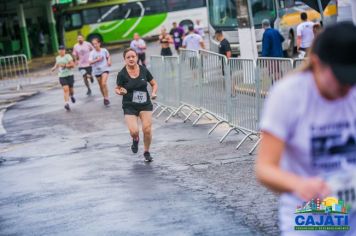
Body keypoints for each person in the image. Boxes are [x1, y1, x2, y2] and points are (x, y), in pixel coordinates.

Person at [256, 22, 356, 235]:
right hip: (311, 216)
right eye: (340, 79)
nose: (347, 88)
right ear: (316, 63)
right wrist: (299, 184)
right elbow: (264, 169)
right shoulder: (289, 95)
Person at [116, 48, 158, 162]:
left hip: (145, 104)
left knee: (147, 129)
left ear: (137, 57)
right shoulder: (122, 74)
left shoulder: (144, 70)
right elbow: (117, 88)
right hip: (129, 105)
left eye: (133, 56)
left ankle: (146, 151)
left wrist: (153, 92)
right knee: (134, 131)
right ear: (124, 59)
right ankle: (135, 139)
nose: (131, 59)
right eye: (128, 57)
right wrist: (120, 91)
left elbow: (154, 84)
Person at [51, 45, 76, 111]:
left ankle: (72, 96)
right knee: (65, 89)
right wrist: (54, 67)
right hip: (62, 76)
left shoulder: (68, 56)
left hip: (69, 75)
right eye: (60, 50)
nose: (61, 51)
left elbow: (73, 65)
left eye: (62, 50)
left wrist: (65, 65)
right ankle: (66, 104)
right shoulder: (57, 57)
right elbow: (57, 63)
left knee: (71, 90)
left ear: (64, 50)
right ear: (58, 51)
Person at [89, 38, 112, 106]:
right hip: (96, 71)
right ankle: (104, 97)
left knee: (104, 83)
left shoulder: (104, 50)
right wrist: (96, 60)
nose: (95, 45)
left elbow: (108, 56)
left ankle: (107, 98)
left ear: (99, 43)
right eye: (93, 44)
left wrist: (109, 61)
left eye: (96, 43)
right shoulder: (92, 53)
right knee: (101, 85)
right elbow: (90, 62)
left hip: (105, 69)